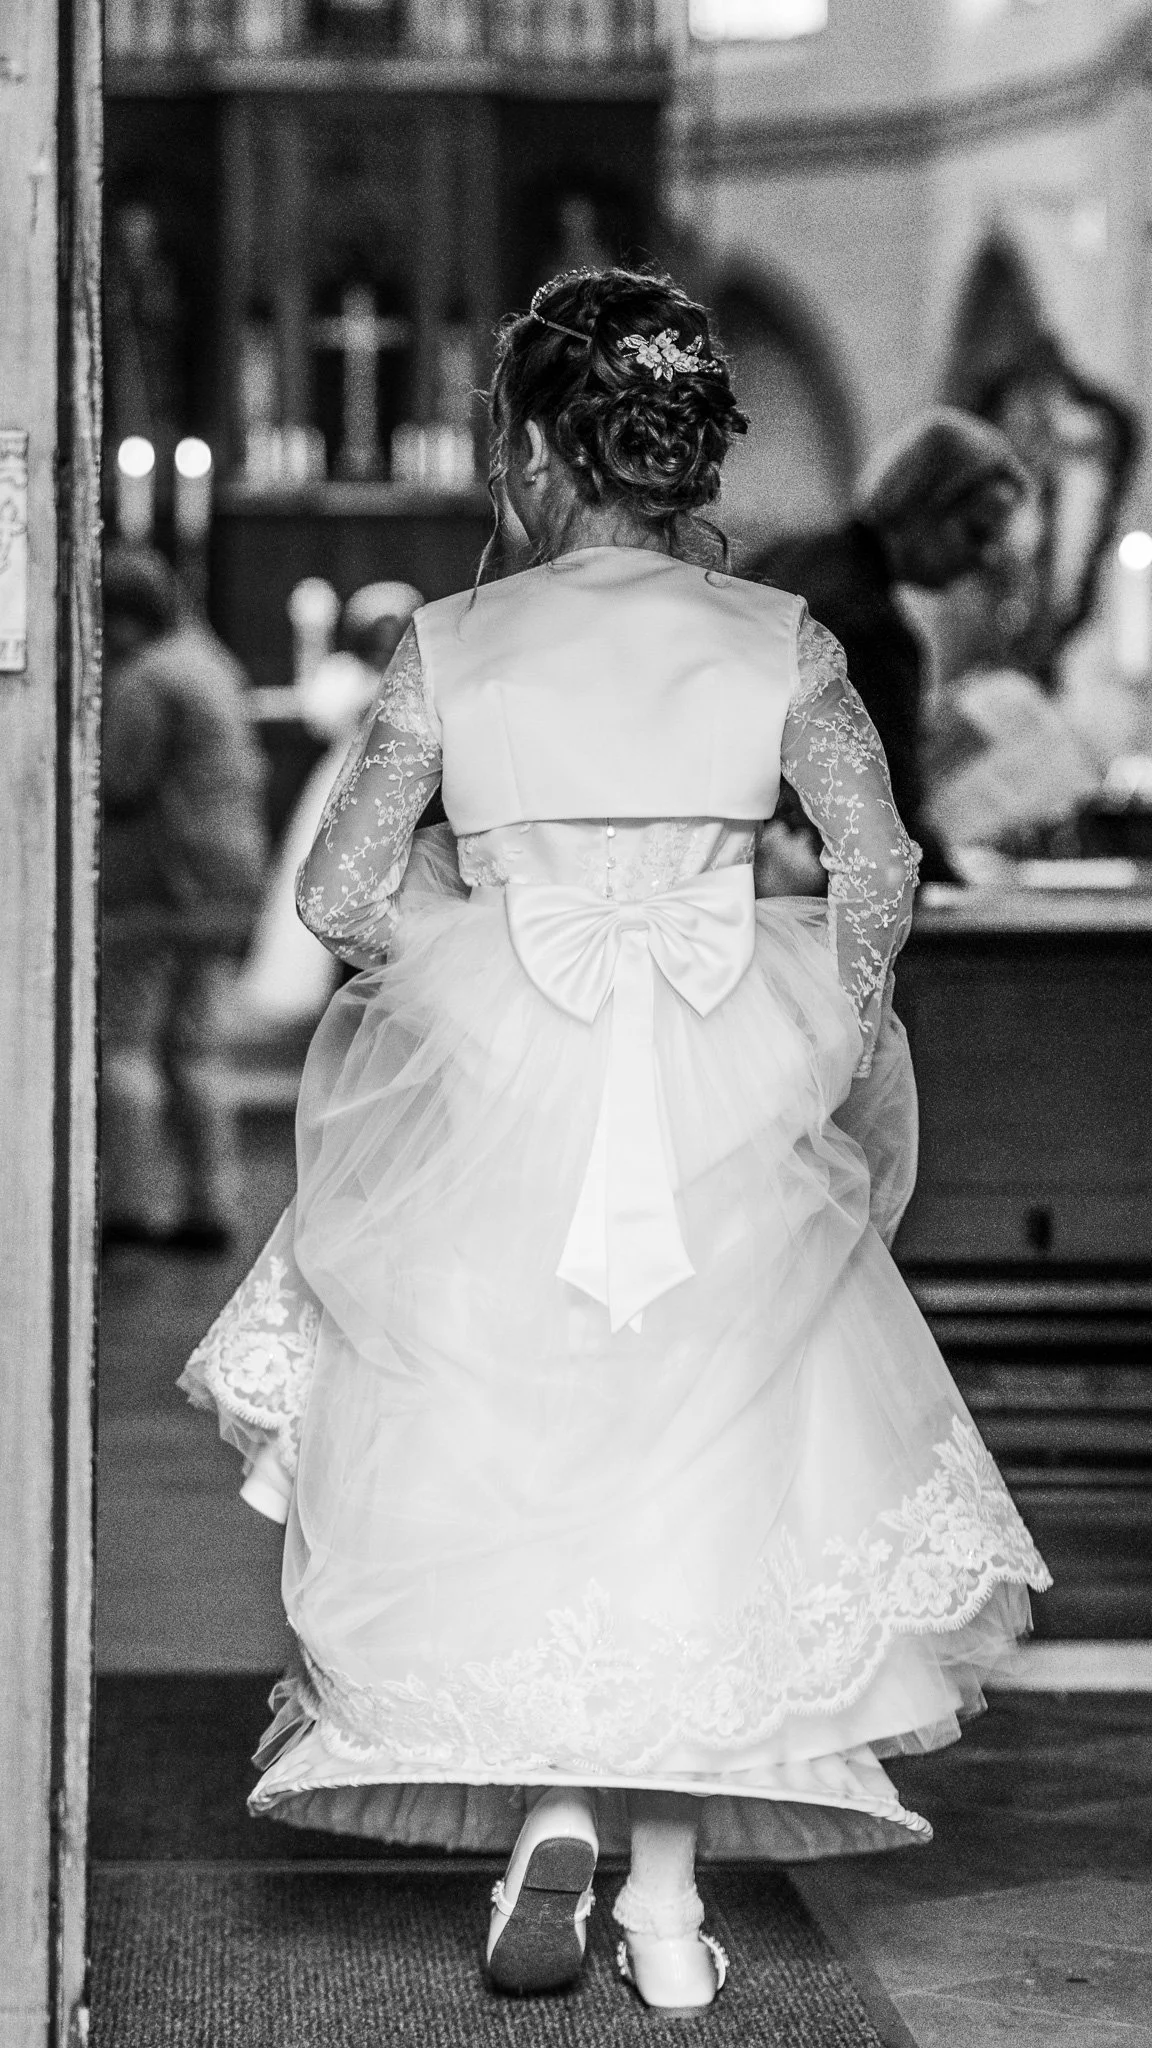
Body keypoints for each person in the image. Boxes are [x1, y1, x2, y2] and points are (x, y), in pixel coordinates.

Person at [181, 271, 1048, 2014]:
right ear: (682, 448)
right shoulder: (782, 641)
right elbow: (876, 866)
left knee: (522, 1444)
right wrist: (828, 1016)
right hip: (723, 1076)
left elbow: (342, 889)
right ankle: (662, 1907)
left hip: (513, 1089)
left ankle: (556, 1808)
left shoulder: (449, 645)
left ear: (523, 444)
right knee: (707, 1473)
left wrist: (475, 954)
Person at [752, 407, 1028, 882]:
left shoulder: (786, 556)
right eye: (976, 533)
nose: (982, 559)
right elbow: (884, 820)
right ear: (925, 501)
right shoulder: (870, 627)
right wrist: (968, 888)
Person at [102, 544, 267, 1250]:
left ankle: (130, 1209)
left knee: (128, 1045)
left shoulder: (146, 679)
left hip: (161, 882)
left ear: (125, 618)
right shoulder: (210, 661)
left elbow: (119, 781)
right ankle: (211, 1207)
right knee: (199, 1052)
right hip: (228, 881)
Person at [233, 581, 425, 1036]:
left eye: (394, 630)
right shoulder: (344, 673)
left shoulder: (422, 670)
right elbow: (319, 713)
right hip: (344, 785)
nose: (386, 641)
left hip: (408, 792)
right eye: (378, 631)